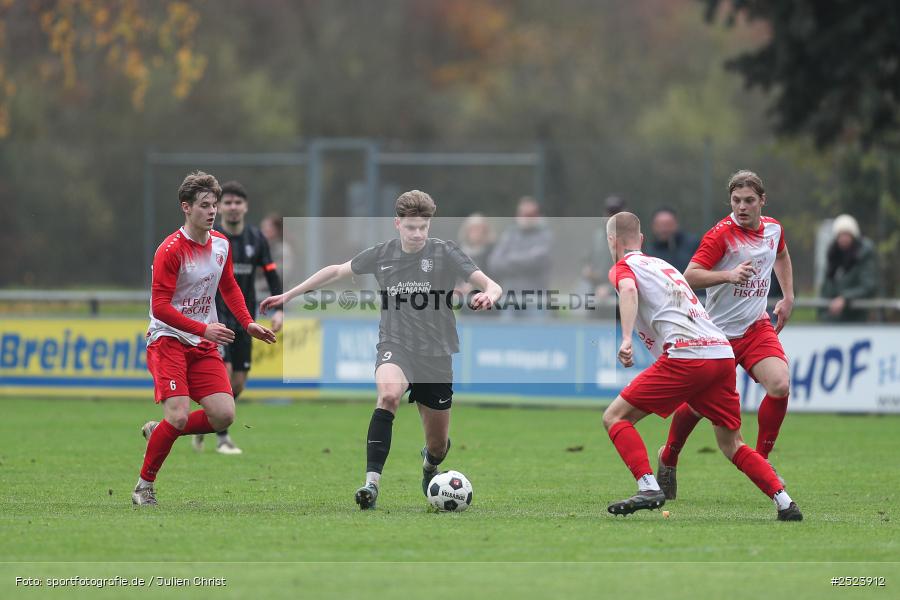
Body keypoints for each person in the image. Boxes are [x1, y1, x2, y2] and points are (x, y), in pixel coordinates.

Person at [260, 190, 502, 510]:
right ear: (397, 224)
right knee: (388, 395)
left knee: (438, 445)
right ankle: (371, 485)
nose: (417, 234)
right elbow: (335, 271)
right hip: (395, 344)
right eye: (411, 227)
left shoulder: (446, 253)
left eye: (423, 227)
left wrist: (490, 294)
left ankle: (429, 467)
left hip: (436, 355)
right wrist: (287, 295)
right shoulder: (382, 254)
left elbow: (491, 283)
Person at [602, 212, 801, 521]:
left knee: (614, 417)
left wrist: (626, 338)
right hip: (720, 352)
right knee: (732, 443)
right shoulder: (664, 265)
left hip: (687, 354)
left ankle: (648, 486)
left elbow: (627, 291)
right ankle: (785, 502)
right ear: (642, 240)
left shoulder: (623, 267)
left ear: (611, 241)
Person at [133, 171, 276, 506]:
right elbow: (159, 307)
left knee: (224, 415)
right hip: (168, 340)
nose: (212, 211)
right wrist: (203, 328)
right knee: (180, 415)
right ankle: (144, 486)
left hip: (201, 343)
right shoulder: (170, 250)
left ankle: (161, 432)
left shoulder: (221, 245)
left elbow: (229, 287)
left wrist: (248, 323)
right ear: (186, 207)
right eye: (205, 205)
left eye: (214, 204)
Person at [657, 170, 795, 499]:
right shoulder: (721, 235)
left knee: (780, 385)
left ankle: (761, 461)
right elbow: (689, 276)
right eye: (736, 201)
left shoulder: (774, 229)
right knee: (699, 406)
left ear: (762, 201)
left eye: (749, 201)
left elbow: (782, 256)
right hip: (716, 335)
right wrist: (728, 275)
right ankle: (669, 456)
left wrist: (788, 297)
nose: (742, 207)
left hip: (755, 327)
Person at [191, 181, 285, 455]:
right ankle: (223, 438)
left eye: (237, 202)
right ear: (220, 208)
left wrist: (279, 309)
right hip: (215, 318)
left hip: (245, 318)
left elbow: (270, 274)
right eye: (227, 203)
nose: (232, 207)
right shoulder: (211, 236)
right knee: (226, 374)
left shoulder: (257, 239)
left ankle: (205, 423)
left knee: (239, 382)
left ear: (245, 207)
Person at [487, 196, 553, 317]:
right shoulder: (509, 235)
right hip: (510, 298)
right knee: (507, 335)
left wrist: (510, 259)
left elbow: (537, 261)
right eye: (523, 214)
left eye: (531, 214)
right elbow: (494, 263)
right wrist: (526, 259)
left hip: (536, 299)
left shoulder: (545, 236)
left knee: (538, 335)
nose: (526, 217)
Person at [819, 214, 878, 322]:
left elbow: (868, 286)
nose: (843, 238)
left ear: (853, 236)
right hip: (832, 319)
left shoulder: (864, 255)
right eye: (840, 235)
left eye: (847, 234)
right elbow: (826, 287)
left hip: (857, 319)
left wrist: (845, 298)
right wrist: (823, 312)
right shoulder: (833, 256)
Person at [582, 195, 625, 313]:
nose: (612, 217)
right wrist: (587, 269)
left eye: (616, 213)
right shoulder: (597, 235)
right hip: (595, 291)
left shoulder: (630, 239)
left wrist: (609, 288)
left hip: (620, 297)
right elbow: (587, 260)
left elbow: (631, 272)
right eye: (609, 213)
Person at [455, 213, 497, 315]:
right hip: (461, 302)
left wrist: (475, 285)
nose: (475, 233)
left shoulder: (492, 251)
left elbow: (495, 276)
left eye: (479, 229)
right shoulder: (457, 251)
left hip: (485, 306)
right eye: (472, 229)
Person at [646, 206, 699, 273]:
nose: (664, 229)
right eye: (660, 225)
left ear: (676, 224)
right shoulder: (648, 252)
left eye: (668, 224)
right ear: (653, 226)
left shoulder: (693, 244)